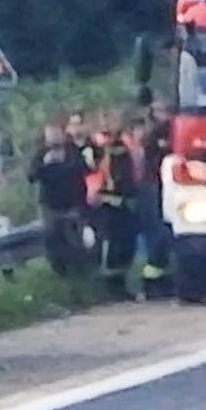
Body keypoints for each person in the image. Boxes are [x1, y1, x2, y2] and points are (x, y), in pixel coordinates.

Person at [89, 113, 141, 295]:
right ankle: (113, 289)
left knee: (127, 245)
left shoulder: (125, 145)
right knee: (112, 246)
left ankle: (121, 285)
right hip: (106, 202)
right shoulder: (95, 148)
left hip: (126, 201)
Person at [31, 125, 92, 276]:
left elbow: (85, 169)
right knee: (53, 238)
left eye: (57, 134)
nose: (55, 138)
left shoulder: (72, 151)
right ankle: (60, 272)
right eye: (51, 136)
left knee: (75, 240)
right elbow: (31, 176)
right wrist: (45, 164)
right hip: (51, 206)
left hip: (72, 204)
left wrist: (65, 164)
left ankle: (80, 273)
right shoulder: (41, 154)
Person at [134, 96, 176, 297]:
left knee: (164, 236)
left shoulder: (170, 130)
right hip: (153, 188)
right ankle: (152, 284)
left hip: (166, 187)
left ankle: (163, 280)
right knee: (158, 236)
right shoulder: (156, 135)